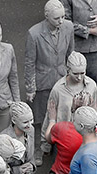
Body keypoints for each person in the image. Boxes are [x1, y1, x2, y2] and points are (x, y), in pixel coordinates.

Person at [25, 1, 75, 143]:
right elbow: (29, 63)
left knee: (62, 114)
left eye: (63, 17)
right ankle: (39, 147)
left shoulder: (68, 27)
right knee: (40, 116)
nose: (61, 21)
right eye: (56, 18)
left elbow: (71, 54)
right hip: (43, 80)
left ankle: (57, 144)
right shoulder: (34, 33)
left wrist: (72, 78)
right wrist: (30, 88)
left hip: (62, 79)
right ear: (47, 16)